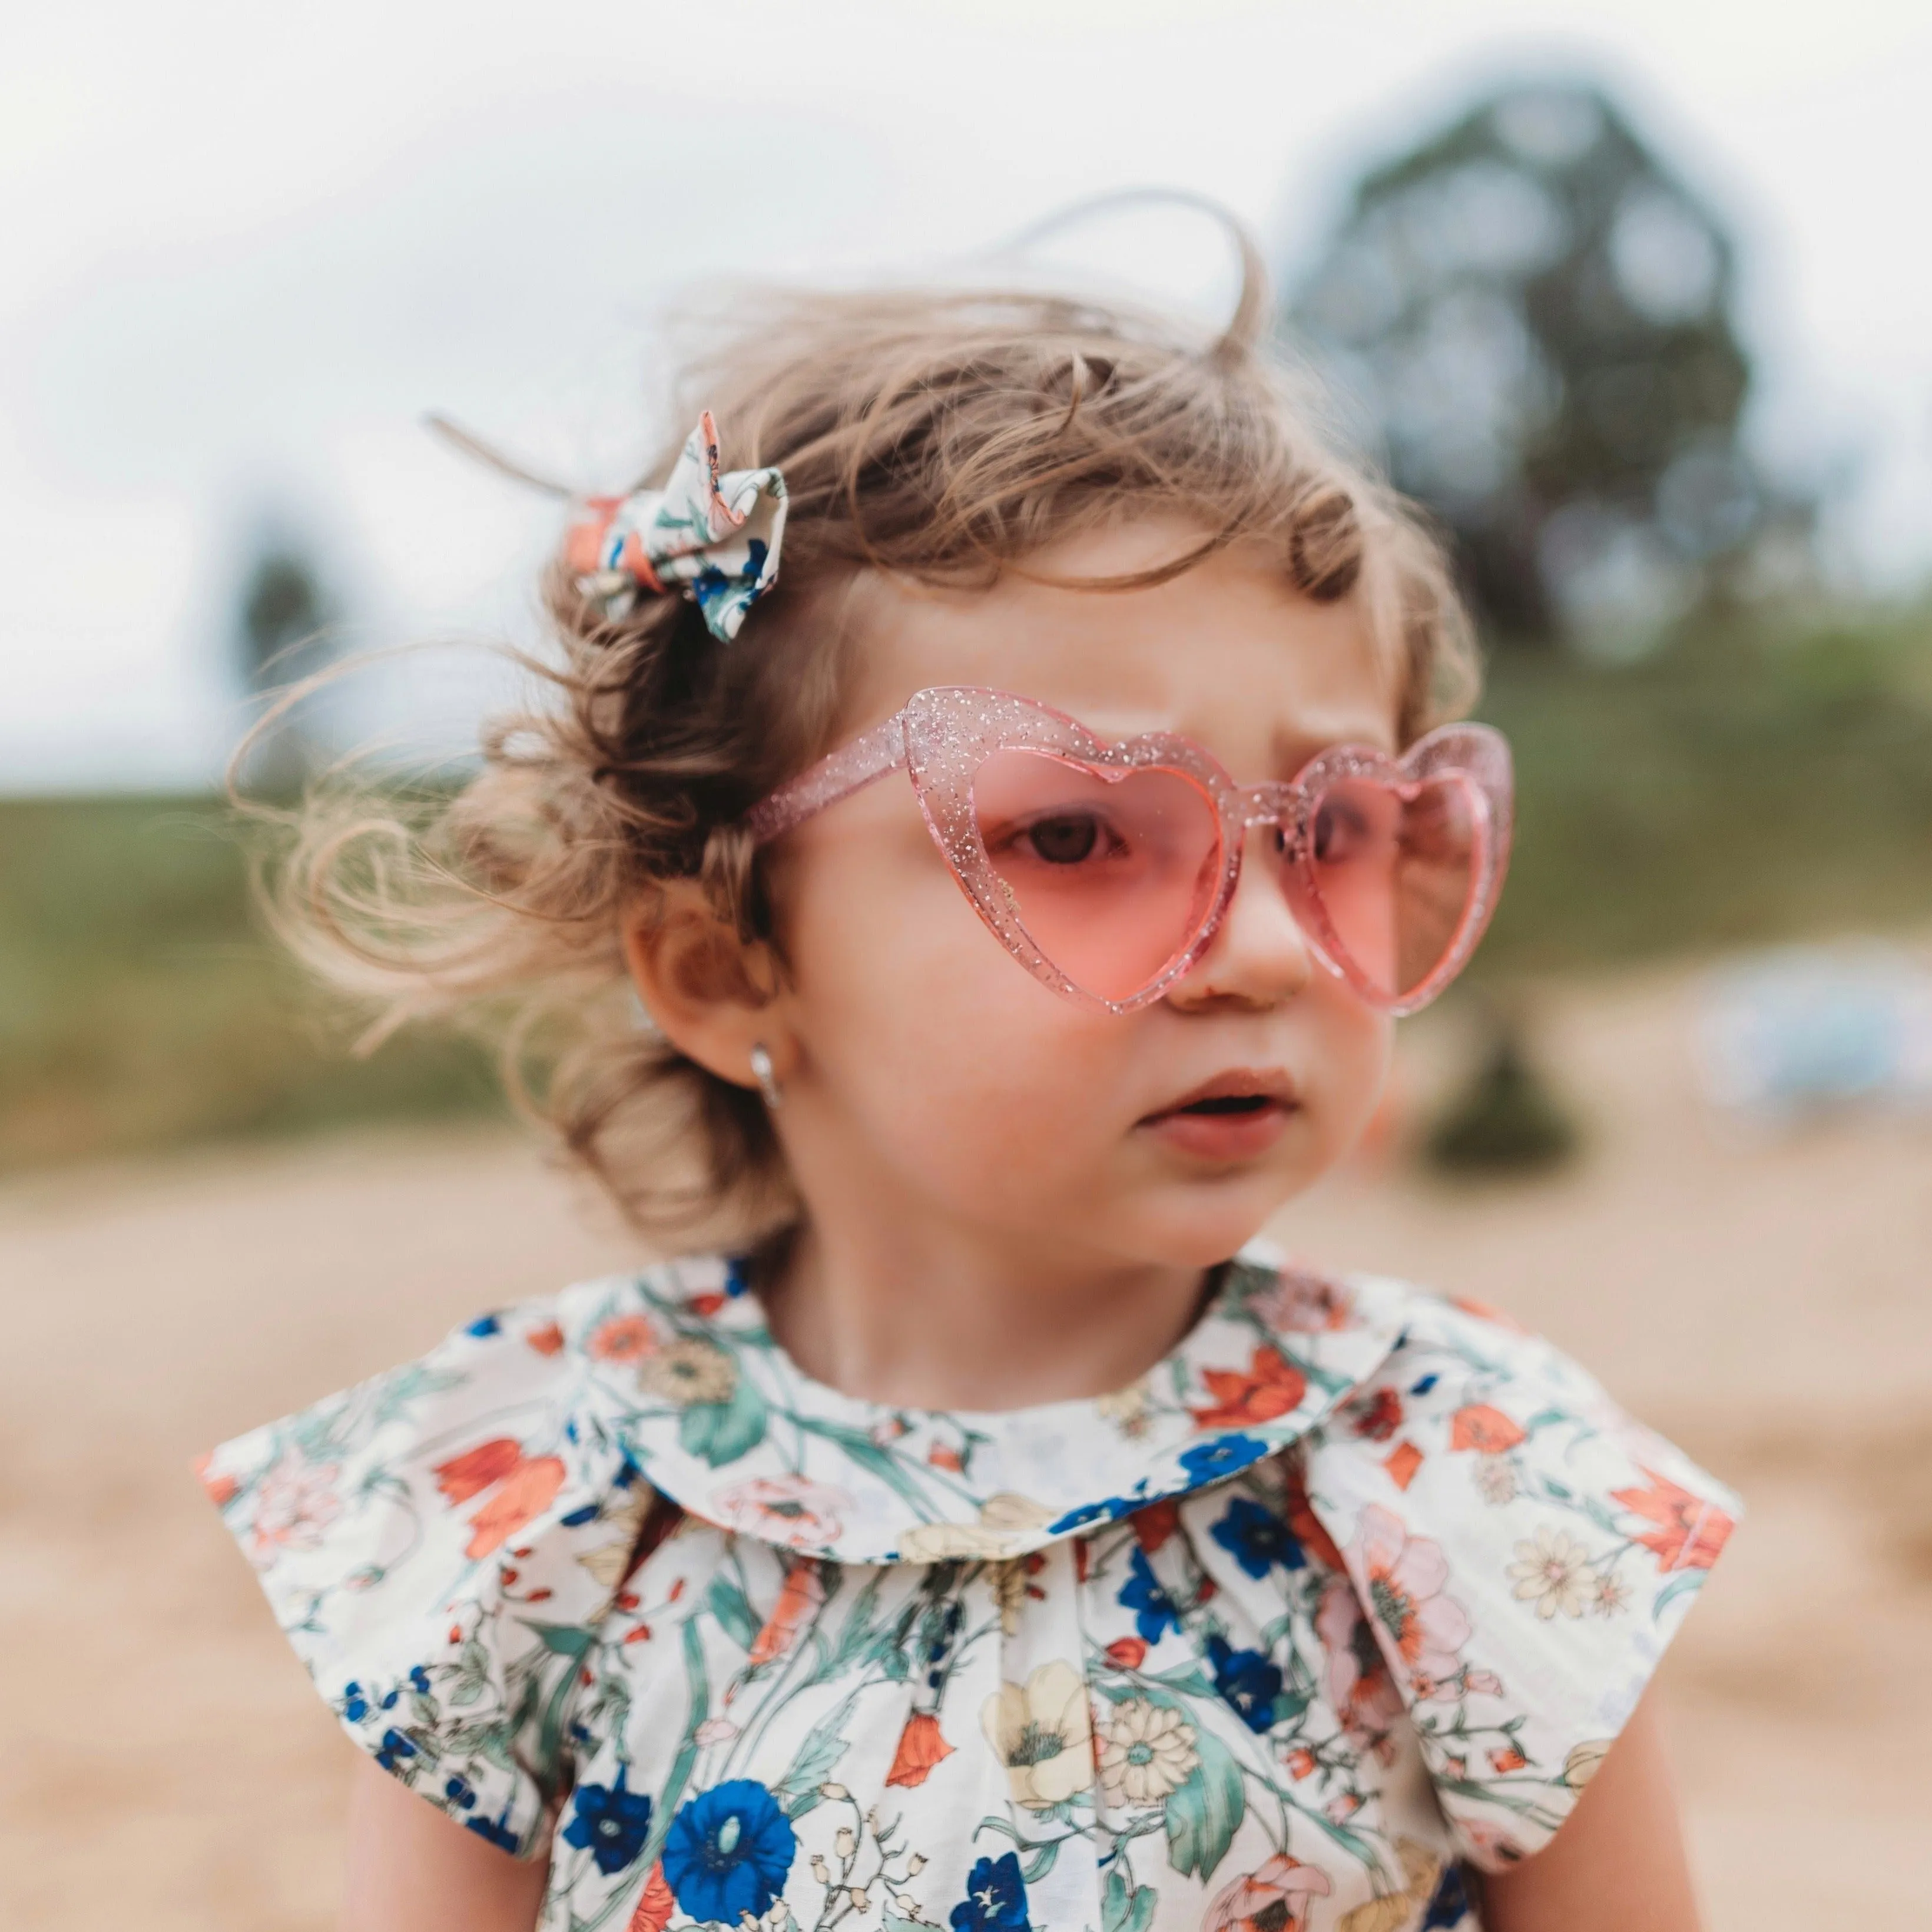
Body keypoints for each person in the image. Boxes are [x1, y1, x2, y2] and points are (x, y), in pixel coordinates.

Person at [201, 208, 1737, 1932]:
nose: (1268, 945)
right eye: (1078, 832)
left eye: (1335, 827)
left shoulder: (1461, 1485)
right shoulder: (540, 1516)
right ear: (727, 966)